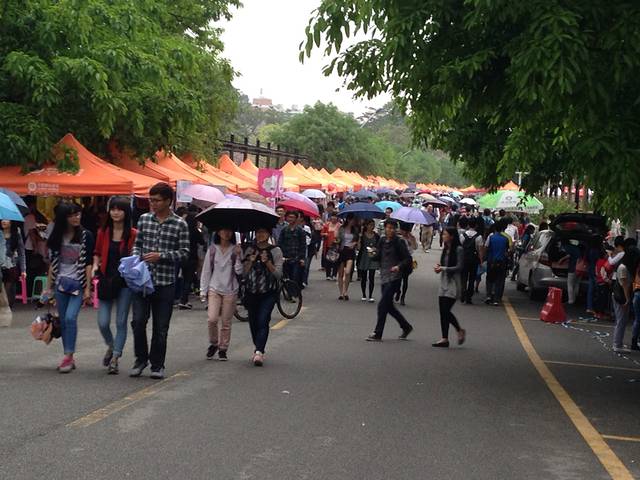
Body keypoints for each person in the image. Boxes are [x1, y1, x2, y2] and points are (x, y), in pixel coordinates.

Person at [130, 182, 190, 379]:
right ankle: (140, 359)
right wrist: (136, 258)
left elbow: (185, 253)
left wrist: (162, 256)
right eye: (151, 200)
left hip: (165, 282)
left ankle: (157, 365)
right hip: (143, 281)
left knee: (161, 327)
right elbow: (137, 244)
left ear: (168, 201)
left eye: (156, 200)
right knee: (138, 321)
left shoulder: (180, 224)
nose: (153, 204)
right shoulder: (144, 219)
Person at [44, 202, 95, 373]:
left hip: (78, 283)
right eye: (71, 215)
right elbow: (53, 264)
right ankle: (68, 356)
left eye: (78, 214)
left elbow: (88, 263)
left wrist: (87, 288)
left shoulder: (86, 235)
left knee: (70, 318)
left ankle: (68, 355)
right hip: (60, 283)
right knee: (64, 320)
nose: (76, 218)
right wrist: (48, 288)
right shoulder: (58, 236)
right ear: (63, 218)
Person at [93, 197, 137, 374]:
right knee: (103, 322)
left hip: (125, 282)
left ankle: (115, 358)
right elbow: (96, 252)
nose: (115, 213)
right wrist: (95, 265)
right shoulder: (103, 232)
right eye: (113, 209)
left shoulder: (133, 234)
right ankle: (111, 346)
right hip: (106, 279)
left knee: (121, 321)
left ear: (126, 212)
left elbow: (136, 257)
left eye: (119, 209)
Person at [200, 227, 243, 361]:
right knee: (212, 319)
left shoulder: (235, 250)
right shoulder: (212, 249)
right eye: (223, 230)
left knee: (226, 321)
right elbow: (206, 270)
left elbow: (239, 271)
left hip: (231, 289)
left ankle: (223, 348)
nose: (226, 233)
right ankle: (214, 343)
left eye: (229, 230)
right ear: (218, 232)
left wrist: (238, 256)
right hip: (214, 288)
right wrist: (203, 290)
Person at [366, 220, 413, 341]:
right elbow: (378, 256)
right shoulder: (382, 240)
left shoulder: (399, 242)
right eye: (388, 228)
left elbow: (407, 259)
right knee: (389, 306)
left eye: (392, 228)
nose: (390, 230)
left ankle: (378, 333)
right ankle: (406, 326)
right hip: (384, 276)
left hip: (395, 278)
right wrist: (372, 253)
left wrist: (398, 266)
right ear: (385, 228)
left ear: (395, 229)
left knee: (382, 305)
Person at [242, 227, 283, 366]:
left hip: (268, 292)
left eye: (263, 232)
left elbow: (279, 274)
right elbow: (243, 273)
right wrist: (250, 261)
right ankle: (258, 345)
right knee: (253, 321)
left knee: (263, 320)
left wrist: (267, 262)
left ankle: (259, 351)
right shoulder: (250, 249)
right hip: (251, 291)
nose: (260, 235)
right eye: (258, 232)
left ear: (268, 234)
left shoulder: (275, 251)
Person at [432, 227, 466, 347]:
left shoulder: (458, 249)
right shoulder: (446, 248)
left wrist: (443, 268)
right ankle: (444, 338)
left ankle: (459, 330)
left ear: (452, 236)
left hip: (453, 283)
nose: (443, 236)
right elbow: (444, 264)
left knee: (446, 310)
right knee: (442, 311)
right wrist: (439, 267)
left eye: (445, 234)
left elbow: (460, 267)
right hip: (444, 281)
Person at [611, 246, 638, 352]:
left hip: (619, 295)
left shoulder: (624, 266)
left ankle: (618, 343)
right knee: (621, 321)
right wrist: (627, 299)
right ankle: (617, 345)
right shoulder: (623, 267)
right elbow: (624, 285)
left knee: (621, 320)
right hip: (621, 296)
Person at [177, 212, 205, 309]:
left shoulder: (182, 230)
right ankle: (183, 300)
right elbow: (202, 242)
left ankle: (183, 299)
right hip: (192, 257)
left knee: (184, 278)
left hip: (182, 257)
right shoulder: (195, 231)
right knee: (188, 279)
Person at [484, 219, 511, 306]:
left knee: (489, 279)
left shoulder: (490, 237)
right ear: (502, 229)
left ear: (495, 228)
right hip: (501, 261)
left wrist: (485, 257)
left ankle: (488, 296)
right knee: (499, 280)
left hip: (491, 261)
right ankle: (496, 299)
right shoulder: (506, 239)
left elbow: (486, 247)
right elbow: (507, 251)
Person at [278, 211, 306, 288]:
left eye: (292, 217)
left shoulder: (300, 231)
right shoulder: (284, 230)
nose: (290, 219)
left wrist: (302, 258)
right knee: (287, 277)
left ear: (296, 219)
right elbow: (280, 243)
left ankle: (294, 291)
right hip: (286, 257)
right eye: (289, 217)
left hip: (296, 258)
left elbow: (303, 245)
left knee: (295, 277)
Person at [1, 220, 26, 308]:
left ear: (11, 222)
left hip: (12, 266)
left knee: (8, 293)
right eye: (2, 219)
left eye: (6, 219)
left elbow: (21, 253)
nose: (3, 221)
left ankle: (7, 307)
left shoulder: (16, 234)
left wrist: (23, 270)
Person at [460, 217, 483, 304]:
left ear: (468, 225)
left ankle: (463, 292)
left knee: (464, 277)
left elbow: (460, 247)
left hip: (464, 258)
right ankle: (469, 297)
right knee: (472, 278)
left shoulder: (462, 235)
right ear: (476, 225)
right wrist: (481, 261)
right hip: (474, 259)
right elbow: (480, 250)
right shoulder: (479, 237)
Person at [337, 214, 359, 300]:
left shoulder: (355, 230)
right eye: (352, 220)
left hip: (350, 251)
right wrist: (337, 240)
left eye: (354, 220)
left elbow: (357, 240)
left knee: (348, 272)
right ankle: (341, 293)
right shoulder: (342, 228)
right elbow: (338, 238)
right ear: (348, 220)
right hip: (342, 250)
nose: (353, 222)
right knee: (340, 273)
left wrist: (354, 243)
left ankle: (345, 291)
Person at [357, 219, 380, 302]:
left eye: (373, 225)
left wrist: (375, 249)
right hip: (364, 257)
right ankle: (364, 294)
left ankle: (370, 295)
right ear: (366, 226)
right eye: (370, 225)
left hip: (373, 257)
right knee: (363, 277)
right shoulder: (362, 235)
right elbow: (359, 248)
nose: (372, 227)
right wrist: (359, 238)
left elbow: (379, 246)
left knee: (371, 277)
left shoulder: (376, 236)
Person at [396, 222, 417, 305]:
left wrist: (411, 240)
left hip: (408, 259)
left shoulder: (411, 238)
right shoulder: (398, 238)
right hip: (399, 259)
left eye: (404, 230)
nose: (402, 231)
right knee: (398, 279)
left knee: (405, 279)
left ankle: (403, 296)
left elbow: (415, 247)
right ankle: (398, 291)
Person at [321, 212, 340, 280]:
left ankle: (334, 274)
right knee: (328, 260)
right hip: (328, 244)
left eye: (335, 217)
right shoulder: (327, 225)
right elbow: (321, 233)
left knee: (336, 260)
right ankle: (328, 275)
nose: (334, 218)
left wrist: (338, 240)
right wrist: (325, 234)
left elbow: (341, 235)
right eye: (333, 216)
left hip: (336, 245)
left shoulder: (339, 226)